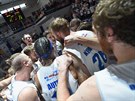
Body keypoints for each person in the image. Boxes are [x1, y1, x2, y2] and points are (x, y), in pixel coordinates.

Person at [56, 0, 135, 101]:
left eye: (96, 32)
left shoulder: (98, 85)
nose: (95, 36)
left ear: (109, 34)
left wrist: (62, 70)